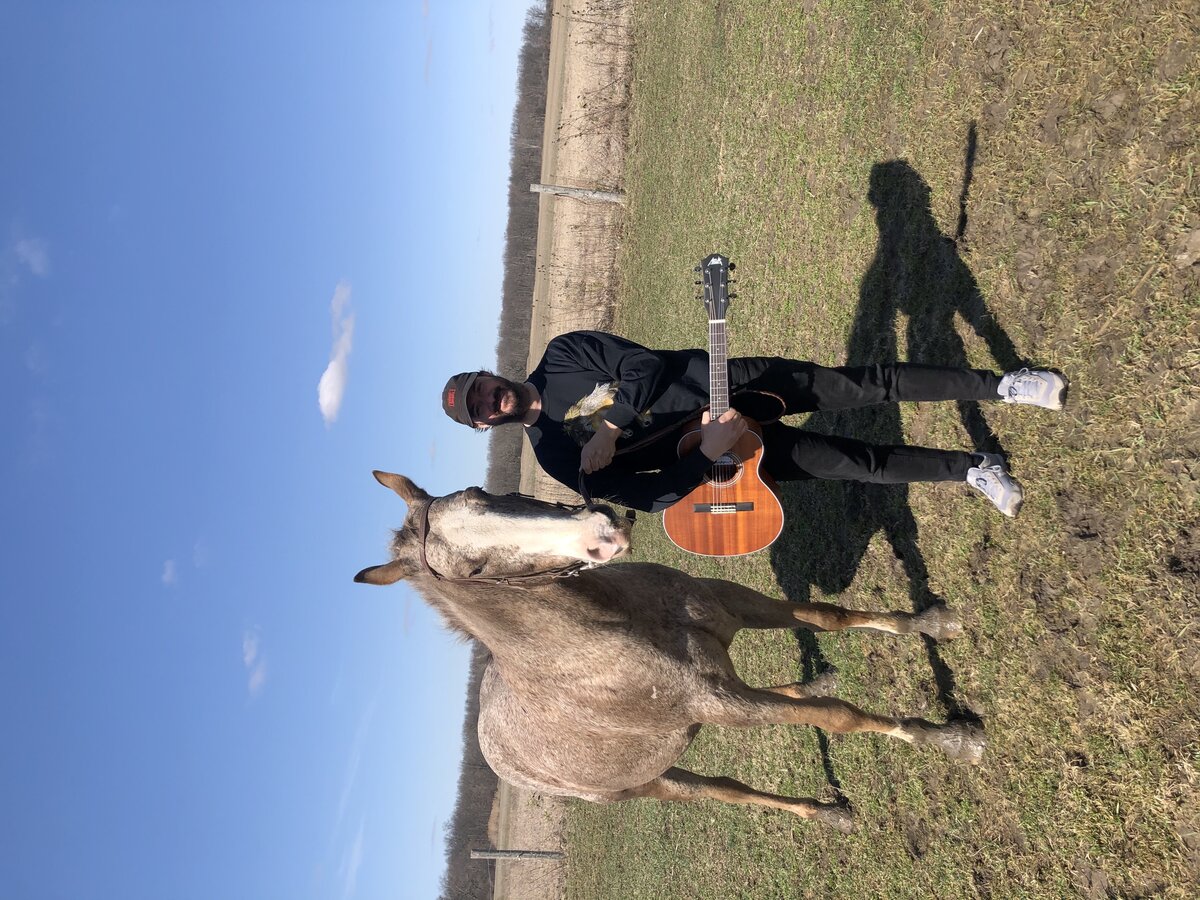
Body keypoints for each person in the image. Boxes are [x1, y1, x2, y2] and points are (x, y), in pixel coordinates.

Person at [440, 330, 1067, 517]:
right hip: (730, 456)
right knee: (856, 463)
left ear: (489, 373)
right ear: (483, 427)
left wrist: (612, 427)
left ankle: (1005, 385)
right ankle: (975, 469)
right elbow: (648, 497)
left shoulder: (563, 356)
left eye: (482, 387)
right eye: (479, 408)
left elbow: (643, 364)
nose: (490, 399)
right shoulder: (555, 457)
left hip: (726, 382)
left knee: (868, 385)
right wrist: (705, 454)